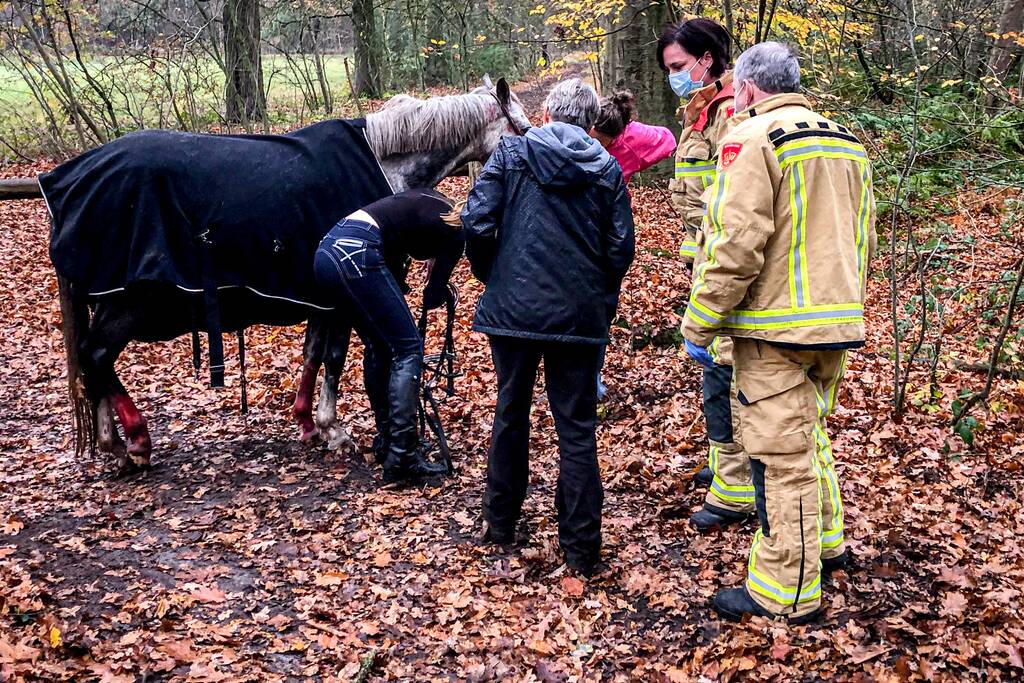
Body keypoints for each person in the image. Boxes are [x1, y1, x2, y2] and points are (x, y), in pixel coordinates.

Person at [681, 42, 876, 623]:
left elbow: (736, 243)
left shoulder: (753, 139)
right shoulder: (845, 141)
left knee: (778, 458)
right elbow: (860, 233)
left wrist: (701, 319)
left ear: (743, 88)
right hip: (835, 318)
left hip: (774, 328)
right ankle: (827, 542)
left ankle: (784, 592)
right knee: (808, 438)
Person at [462, 78, 635, 577]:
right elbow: (619, 249)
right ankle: (580, 549)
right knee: (576, 428)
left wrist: (493, 273)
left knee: (511, 411)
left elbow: (476, 222)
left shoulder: (512, 155)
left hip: (515, 312)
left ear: (546, 114)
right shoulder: (605, 169)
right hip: (577, 316)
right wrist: (595, 291)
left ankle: (499, 525)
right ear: (588, 121)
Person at [657, 18, 755, 532]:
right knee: (714, 369)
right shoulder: (699, 113)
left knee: (727, 367)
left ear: (707, 59)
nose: (675, 76)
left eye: (679, 67)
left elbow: (735, 202)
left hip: (725, 256)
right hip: (704, 255)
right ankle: (725, 468)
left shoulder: (733, 114)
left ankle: (736, 488)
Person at [313, 189, 465, 483]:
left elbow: (400, 240)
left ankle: (388, 441)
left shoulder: (430, 201)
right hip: (357, 252)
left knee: (380, 345)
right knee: (408, 349)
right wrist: (440, 278)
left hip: (329, 250)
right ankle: (403, 456)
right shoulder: (457, 231)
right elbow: (431, 296)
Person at [590, 90, 676, 399]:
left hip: (608, 233)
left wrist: (631, 148)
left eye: (603, 142)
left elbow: (667, 140)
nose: (596, 146)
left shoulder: (627, 140)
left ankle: (592, 377)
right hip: (574, 231)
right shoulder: (574, 133)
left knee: (601, 310)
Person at [590, 91, 676, 186]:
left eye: (600, 141)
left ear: (615, 135)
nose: (593, 145)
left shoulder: (633, 138)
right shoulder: (579, 122)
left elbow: (667, 139)